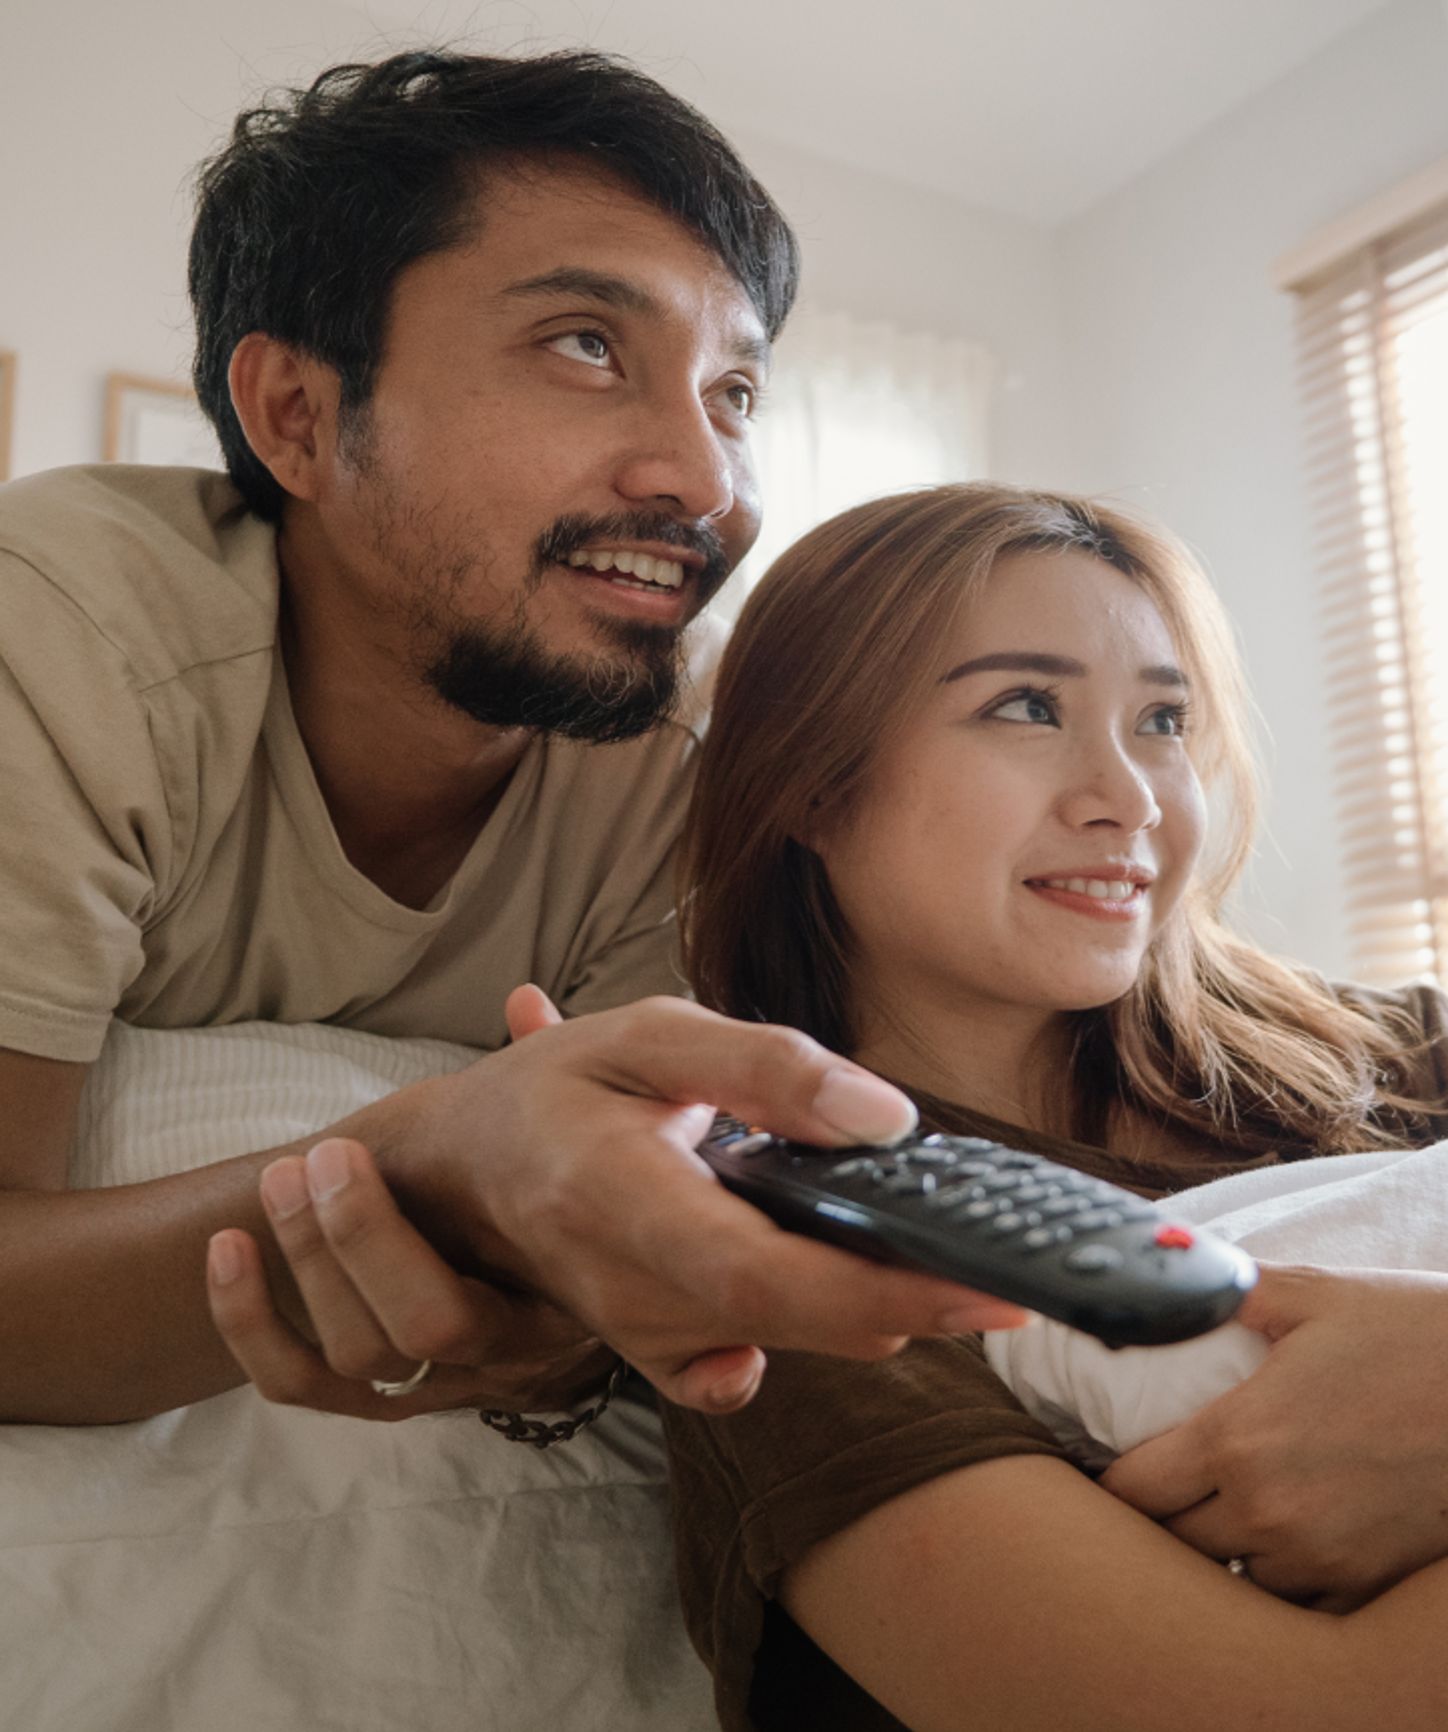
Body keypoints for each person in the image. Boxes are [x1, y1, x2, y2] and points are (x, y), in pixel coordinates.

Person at [0, 50, 1020, 1439]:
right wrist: (413, 1168)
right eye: (587, 346)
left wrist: (577, 1313)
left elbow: (633, 1236)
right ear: (297, 415)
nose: (708, 483)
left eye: (734, 393)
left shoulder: (690, 754)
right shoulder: (65, 630)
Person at [652, 482, 1448, 1730]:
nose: (1127, 793)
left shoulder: (1400, 1052)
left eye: (1164, 718)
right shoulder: (793, 1251)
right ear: (811, 780)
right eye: (1025, 706)